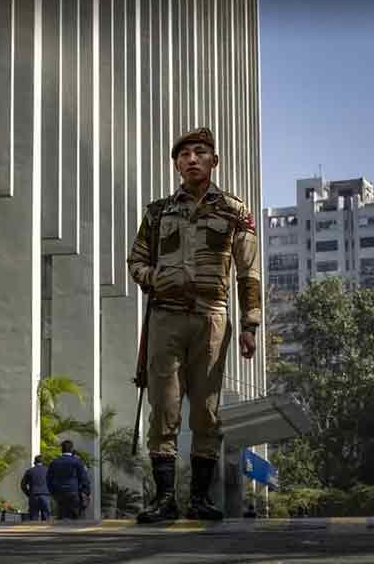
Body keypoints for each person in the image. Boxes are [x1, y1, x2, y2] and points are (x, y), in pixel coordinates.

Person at [127, 127, 262, 524]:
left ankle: (200, 499)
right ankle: (165, 499)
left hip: (212, 317)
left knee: (206, 411)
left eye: (200, 152)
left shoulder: (235, 211)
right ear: (176, 165)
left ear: (213, 161)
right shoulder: (156, 213)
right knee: (164, 409)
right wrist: (153, 278)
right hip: (165, 318)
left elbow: (248, 271)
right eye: (184, 154)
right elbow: (135, 262)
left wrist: (251, 323)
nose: (191, 159)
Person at [46, 440, 91, 520]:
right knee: (76, 518)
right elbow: (84, 478)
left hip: (59, 494)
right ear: (71, 449)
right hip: (74, 493)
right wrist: (86, 492)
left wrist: (53, 493)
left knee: (61, 517)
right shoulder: (77, 462)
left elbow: (49, 480)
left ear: (61, 449)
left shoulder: (54, 462)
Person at [20, 455, 51, 521]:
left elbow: (23, 485)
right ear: (43, 462)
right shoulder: (48, 471)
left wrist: (28, 494)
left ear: (34, 462)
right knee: (46, 518)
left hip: (33, 495)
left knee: (34, 517)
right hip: (45, 495)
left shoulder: (29, 471)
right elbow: (52, 483)